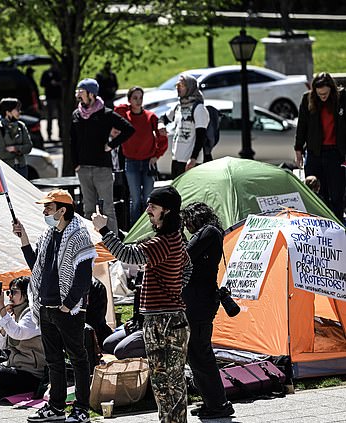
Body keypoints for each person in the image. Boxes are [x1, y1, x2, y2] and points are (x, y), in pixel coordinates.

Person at [91, 185, 191, 423]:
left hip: (162, 321)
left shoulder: (163, 243)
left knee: (165, 380)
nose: (147, 210)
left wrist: (104, 229)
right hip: (169, 318)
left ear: (166, 211)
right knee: (169, 379)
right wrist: (176, 289)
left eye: (153, 207)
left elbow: (127, 255)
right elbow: (188, 266)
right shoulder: (174, 239)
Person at [12, 189, 96, 423]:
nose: (44, 211)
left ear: (62, 210)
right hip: (46, 307)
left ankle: (81, 409)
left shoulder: (79, 236)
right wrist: (24, 239)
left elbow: (83, 276)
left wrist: (69, 305)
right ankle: (56, 407)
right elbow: (36, 267)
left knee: (78, 358)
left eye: (48, 208)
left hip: (67, 310)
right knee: (53, 360)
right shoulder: (48, 235)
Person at [180, 202, 234, 419]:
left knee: (201, 355)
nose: (185, 225)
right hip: (197, 303)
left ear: (196, 217)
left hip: (200, 305)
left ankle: (219, 404)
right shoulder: (206, 234)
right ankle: (211, 401)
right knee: (196, 356)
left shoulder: (209, 233)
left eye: (187, 220)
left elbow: (185, 254)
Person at [71, 78, 134, 234]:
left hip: (102, 168)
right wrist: (75, 164)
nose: (78, 94)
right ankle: (88, 242)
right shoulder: (76, 114)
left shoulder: (105, 113)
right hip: (83, 168)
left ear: (91, 94)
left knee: (108, 209)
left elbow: (129, 129)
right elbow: (72, 140)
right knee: (88, 209)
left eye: (81, 91)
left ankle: (113, 246)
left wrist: (111, 145)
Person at [295, 72, 346, 222]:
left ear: (331, 89)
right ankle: (320, 224)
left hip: (336, 153)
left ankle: (337, 223)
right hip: (314, 153)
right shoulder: (307, 99)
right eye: (319, 94)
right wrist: (298, 149)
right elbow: (301, 126)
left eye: (325, 93)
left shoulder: (342, 99)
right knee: (316, 194)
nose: (322, 96)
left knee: (337, 194)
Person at [114, 86, 169, 224]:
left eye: (140, 98)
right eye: (135, 98)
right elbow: (117, 110)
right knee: (136, 199)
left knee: (148, 199)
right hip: (131, 162)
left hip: (148, 163)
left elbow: (162, 137)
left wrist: (157, 155)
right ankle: (134, 229)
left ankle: (149, 227)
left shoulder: (150, 116)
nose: (138, 101)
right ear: (129, 100)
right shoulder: (125, 115)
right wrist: (128, 105)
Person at [160, 73, 210, 179]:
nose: (178, 88)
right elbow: (163, 119)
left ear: (190, 87)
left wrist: (193, 158)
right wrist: (161, 125)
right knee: (176, 193)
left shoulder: (199, 108)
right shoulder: (178, 107)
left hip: (191, 161)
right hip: (177, 159)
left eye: (181, 85)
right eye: (177, 85)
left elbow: (201, 136)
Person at [0, 98, 33, 179]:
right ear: (8, 112)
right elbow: (1, 154)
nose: (19, 112)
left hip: (22, 168)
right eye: (17, 109)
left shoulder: (21, 126)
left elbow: (29, 147)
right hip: (7, 170)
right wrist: (20, 151)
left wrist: (15, 148)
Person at [40, 63, 63, 142]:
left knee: (61, 117)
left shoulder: (60, 73)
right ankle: (49, 134)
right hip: (50, 97)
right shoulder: (46, 73)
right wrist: (50, 83)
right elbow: (42, 83)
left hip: (59, 97)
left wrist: (58, 83)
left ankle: (61, 134)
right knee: (49, 116)